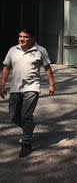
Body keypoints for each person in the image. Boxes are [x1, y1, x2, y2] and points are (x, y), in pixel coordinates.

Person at [1, 28, 55, 157]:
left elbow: (47, 67)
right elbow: (6, 67)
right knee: (14, 116)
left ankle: (26, 143)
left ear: (32, 38)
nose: (21, 39)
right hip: (15, 88)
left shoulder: (40, 50)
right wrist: (2, 85)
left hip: (32, 88)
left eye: (25, 37)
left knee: (26, 115)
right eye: (20, 36)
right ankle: (29, 127)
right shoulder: (13, 50)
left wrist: (52, 84)